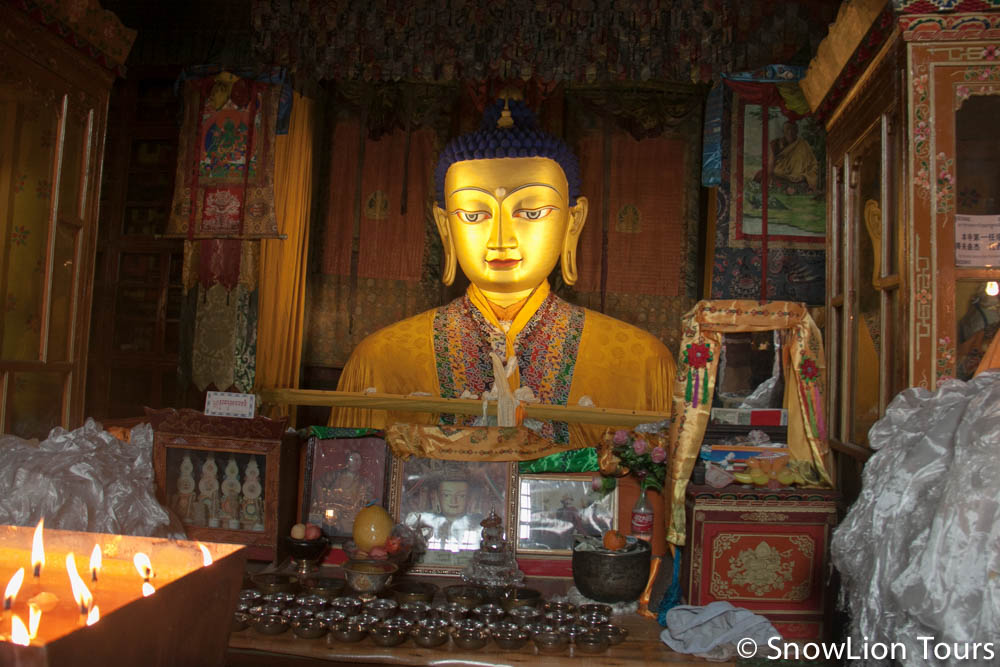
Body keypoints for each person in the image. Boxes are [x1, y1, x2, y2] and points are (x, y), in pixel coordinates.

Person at [329, 98, 675, 448]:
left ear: (573, 223)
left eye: (532, 212)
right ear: (445, 227)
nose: (501, 240)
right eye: (474, 216)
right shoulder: (381, 361)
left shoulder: (640, 363)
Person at [404, 478, 483, 553]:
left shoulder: (479, 527)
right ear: (436, 497)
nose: (453, 501)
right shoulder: (423, 519)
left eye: (461, 496)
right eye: (446, 495)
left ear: (469, 499)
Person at [308, 451, 374, 535]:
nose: (356, 462)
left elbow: (368, 497)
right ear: (347, 461)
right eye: (353, 459)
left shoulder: (364, 482)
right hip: (331, 508)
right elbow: (319, 484)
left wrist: (364, 502)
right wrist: (321, 502)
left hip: (351, 512)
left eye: (358, 460)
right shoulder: (335, 475)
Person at [767, 120, 819, 194]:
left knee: (803, 181)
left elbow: (813, 163)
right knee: (777, 172)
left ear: (797, 131)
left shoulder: (803, 144)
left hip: (799, 176)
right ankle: (790, 189)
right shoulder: (776, 144)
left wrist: (806, 175)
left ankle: (795, 189)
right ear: (783, 131)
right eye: (787, 129)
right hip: (782, 174)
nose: (790, 132)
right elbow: (770, 165)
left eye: (793, 129)